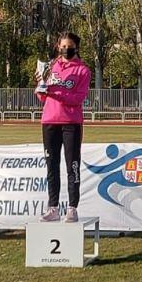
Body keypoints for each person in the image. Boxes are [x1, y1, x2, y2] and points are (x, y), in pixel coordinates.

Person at [36, 32, 91, 222]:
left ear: (76, 47)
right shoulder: (51, 66)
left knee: (72, 166)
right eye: (62, 46)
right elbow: (43, 96)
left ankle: (72, 208)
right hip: (49, 121)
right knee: (52, 166)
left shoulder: (82, 70)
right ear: (57, 46)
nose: (65, 50)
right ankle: (53, 207)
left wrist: (55, 93)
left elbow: (77, 99)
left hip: (71, 123)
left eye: (69, 46)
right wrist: (41, 86)